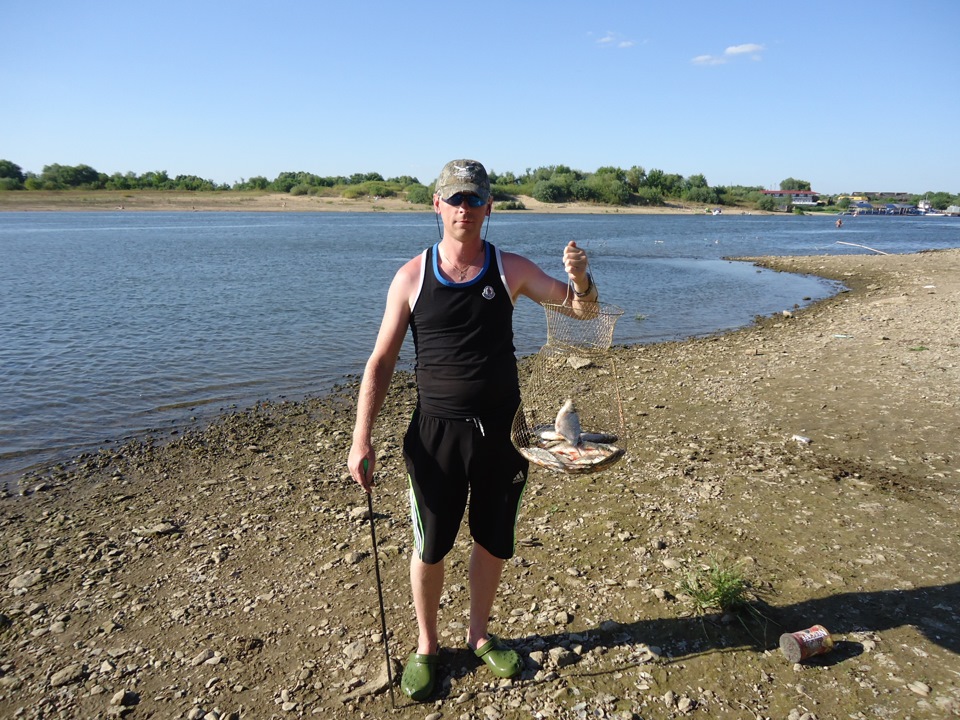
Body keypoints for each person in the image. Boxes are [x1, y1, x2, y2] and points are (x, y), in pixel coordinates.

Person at [347, 159, 597, 701]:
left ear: (489, 208)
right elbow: (381, 362)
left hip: (504, 436)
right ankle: (427, 644)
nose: (464, 209)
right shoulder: (412, 276)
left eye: (474, 200)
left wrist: (581, 277)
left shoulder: (510, 269)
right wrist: (360, 437)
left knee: (492, 540)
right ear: (436, 205)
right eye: (454, 199)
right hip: (435, 436)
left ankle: (479, 634)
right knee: (431, 546)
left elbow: (580, 312)